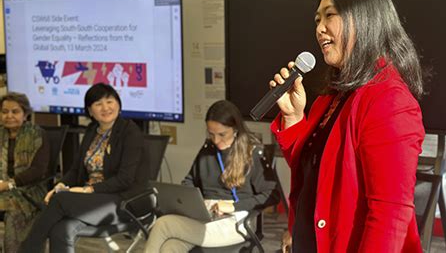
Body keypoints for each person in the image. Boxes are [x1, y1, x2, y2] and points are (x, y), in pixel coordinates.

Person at [270, 0, 425, 252]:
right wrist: (294, 118)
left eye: (330, 15)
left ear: (364, 19)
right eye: (317, 19)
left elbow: (390, 216)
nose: (319, 28)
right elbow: (315, 172)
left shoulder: (389, 100)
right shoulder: (335, 95)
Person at [19, 83, 147, 253]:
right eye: (98, 104)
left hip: (122, 201)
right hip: (93, 200)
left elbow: (125, 179)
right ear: (90, 111)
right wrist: (60, 186)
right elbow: (75, 170)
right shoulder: (92, 130)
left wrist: (88, 190)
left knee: (60, 201)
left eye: (110, 101)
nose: (106, 108)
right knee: (60, 228)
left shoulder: (129, 132)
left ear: (118, 104)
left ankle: (27, 250)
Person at [144, 100, 280, 252]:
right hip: (206, 216)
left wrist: (233, 206)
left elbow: (272, 195)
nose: (216, 140)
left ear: (235, 129)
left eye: (222, 134)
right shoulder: (207, 149)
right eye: (211, 134)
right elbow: (189, 180)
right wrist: (193, 203)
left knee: (164, 224)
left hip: (237, 221)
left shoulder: (253, 153)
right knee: (171, 247)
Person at [0, 92, 50, 252]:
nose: (9, 116)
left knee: (13, 213)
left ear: (25, 114)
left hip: (28, 191)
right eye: (4, 111)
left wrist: (9, 184)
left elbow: (38, 170)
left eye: (15, 111)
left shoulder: (36, 134)